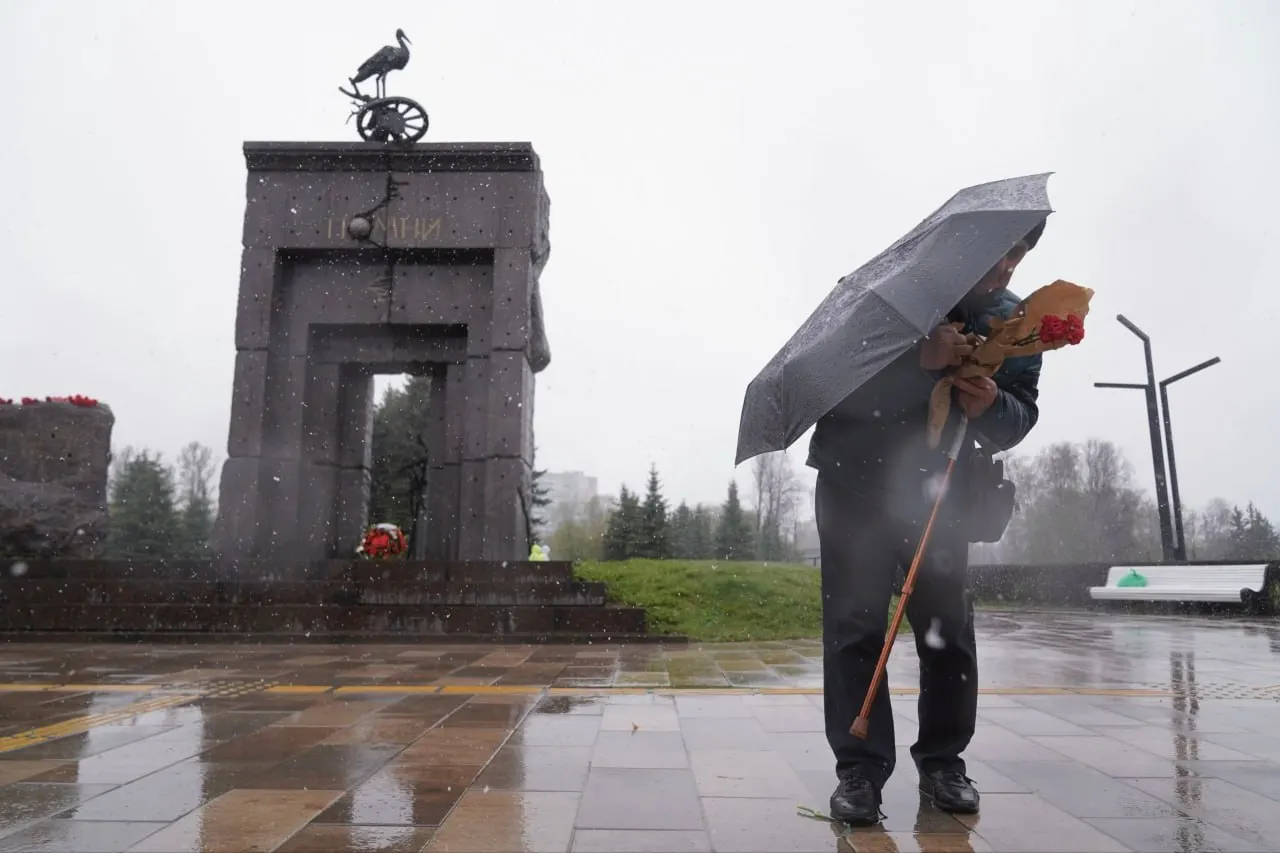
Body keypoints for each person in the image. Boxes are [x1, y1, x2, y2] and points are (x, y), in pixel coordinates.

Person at [805, 222, 1046, 826]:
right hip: (854, 482)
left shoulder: (1015, 320)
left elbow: (1021, 417)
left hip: (941, 489)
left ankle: (942, 761)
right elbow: (830, 385)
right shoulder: (883, 300)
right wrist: (921, 362)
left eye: (1018, 258)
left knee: (947, 630)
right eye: (1001, 256)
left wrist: (992, 405)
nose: (1008, 271)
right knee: (855, 627)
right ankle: (859, 771)